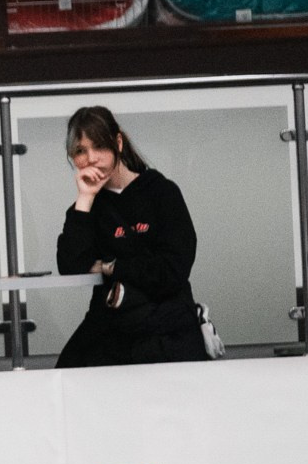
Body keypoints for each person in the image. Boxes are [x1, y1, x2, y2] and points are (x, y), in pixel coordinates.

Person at [53, 106, 207, 368]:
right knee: (65, 375)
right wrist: (86, 197)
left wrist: (109, 266)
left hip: (166, 324)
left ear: (118, 143)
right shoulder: (86, 208)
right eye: (80, 151)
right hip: (112, 326)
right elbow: (70, 266)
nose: (90, 158)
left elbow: (172, 271)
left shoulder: (161, 192)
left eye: (99, 146)